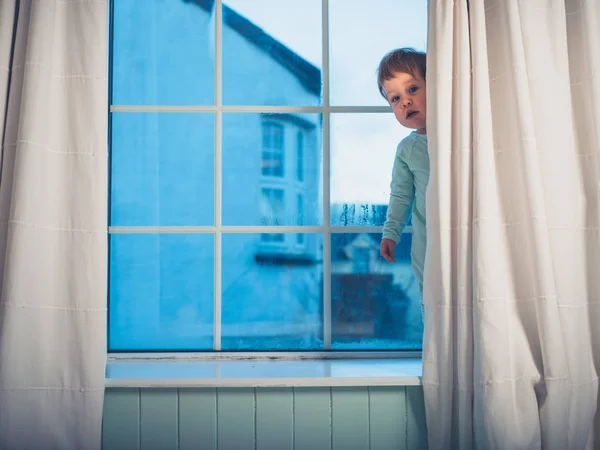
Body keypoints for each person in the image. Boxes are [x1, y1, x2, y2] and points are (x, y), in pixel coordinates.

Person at [377, 48, 429, 293]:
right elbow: (400, 195)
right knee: (430, 296)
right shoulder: (407, 149)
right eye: (395, 99)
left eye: (412, 89)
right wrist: (391, 233)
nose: (405, 101)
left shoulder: (463, 133)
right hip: (428, 241)